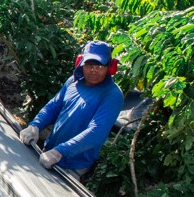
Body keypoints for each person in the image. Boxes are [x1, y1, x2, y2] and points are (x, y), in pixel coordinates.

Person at [19, 40, 124, 176]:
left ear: (110, 67)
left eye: (99, 66)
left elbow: (96, 132)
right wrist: (35, 125)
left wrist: (60, 152)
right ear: (81, 62)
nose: (94, 70)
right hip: (47, 153)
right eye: (89, 65)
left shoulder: (112, 95)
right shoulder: (73, 81)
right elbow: (53, 107)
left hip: (72, 167)